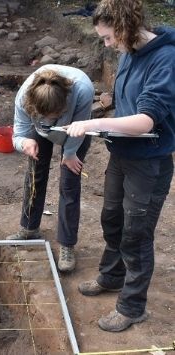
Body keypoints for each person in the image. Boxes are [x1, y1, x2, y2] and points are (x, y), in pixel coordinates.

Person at [65, 0, 175, 332]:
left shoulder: (166, 59)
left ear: (126, 28)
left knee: (136, 234)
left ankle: (132, 306)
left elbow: (144, 121)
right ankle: (112, 276)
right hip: (121, 154)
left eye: (109, 37)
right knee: (112, 218)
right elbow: (126, 104)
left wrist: (94, 125)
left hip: (149, 162)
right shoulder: (128, 53)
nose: (107, 45)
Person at [7, 65, 94, 274]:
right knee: (35, 174)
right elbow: (18, 135)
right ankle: (29, 229)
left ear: (64, 105)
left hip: (75, 132)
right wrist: (25, 143)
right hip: (40, 133)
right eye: (44, 116)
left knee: (69, 184)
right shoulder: (23, 97)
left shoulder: (83, 90)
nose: (49, 121)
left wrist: (70, 154)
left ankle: (67, 245)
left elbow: (80, 129)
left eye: (55, 116)